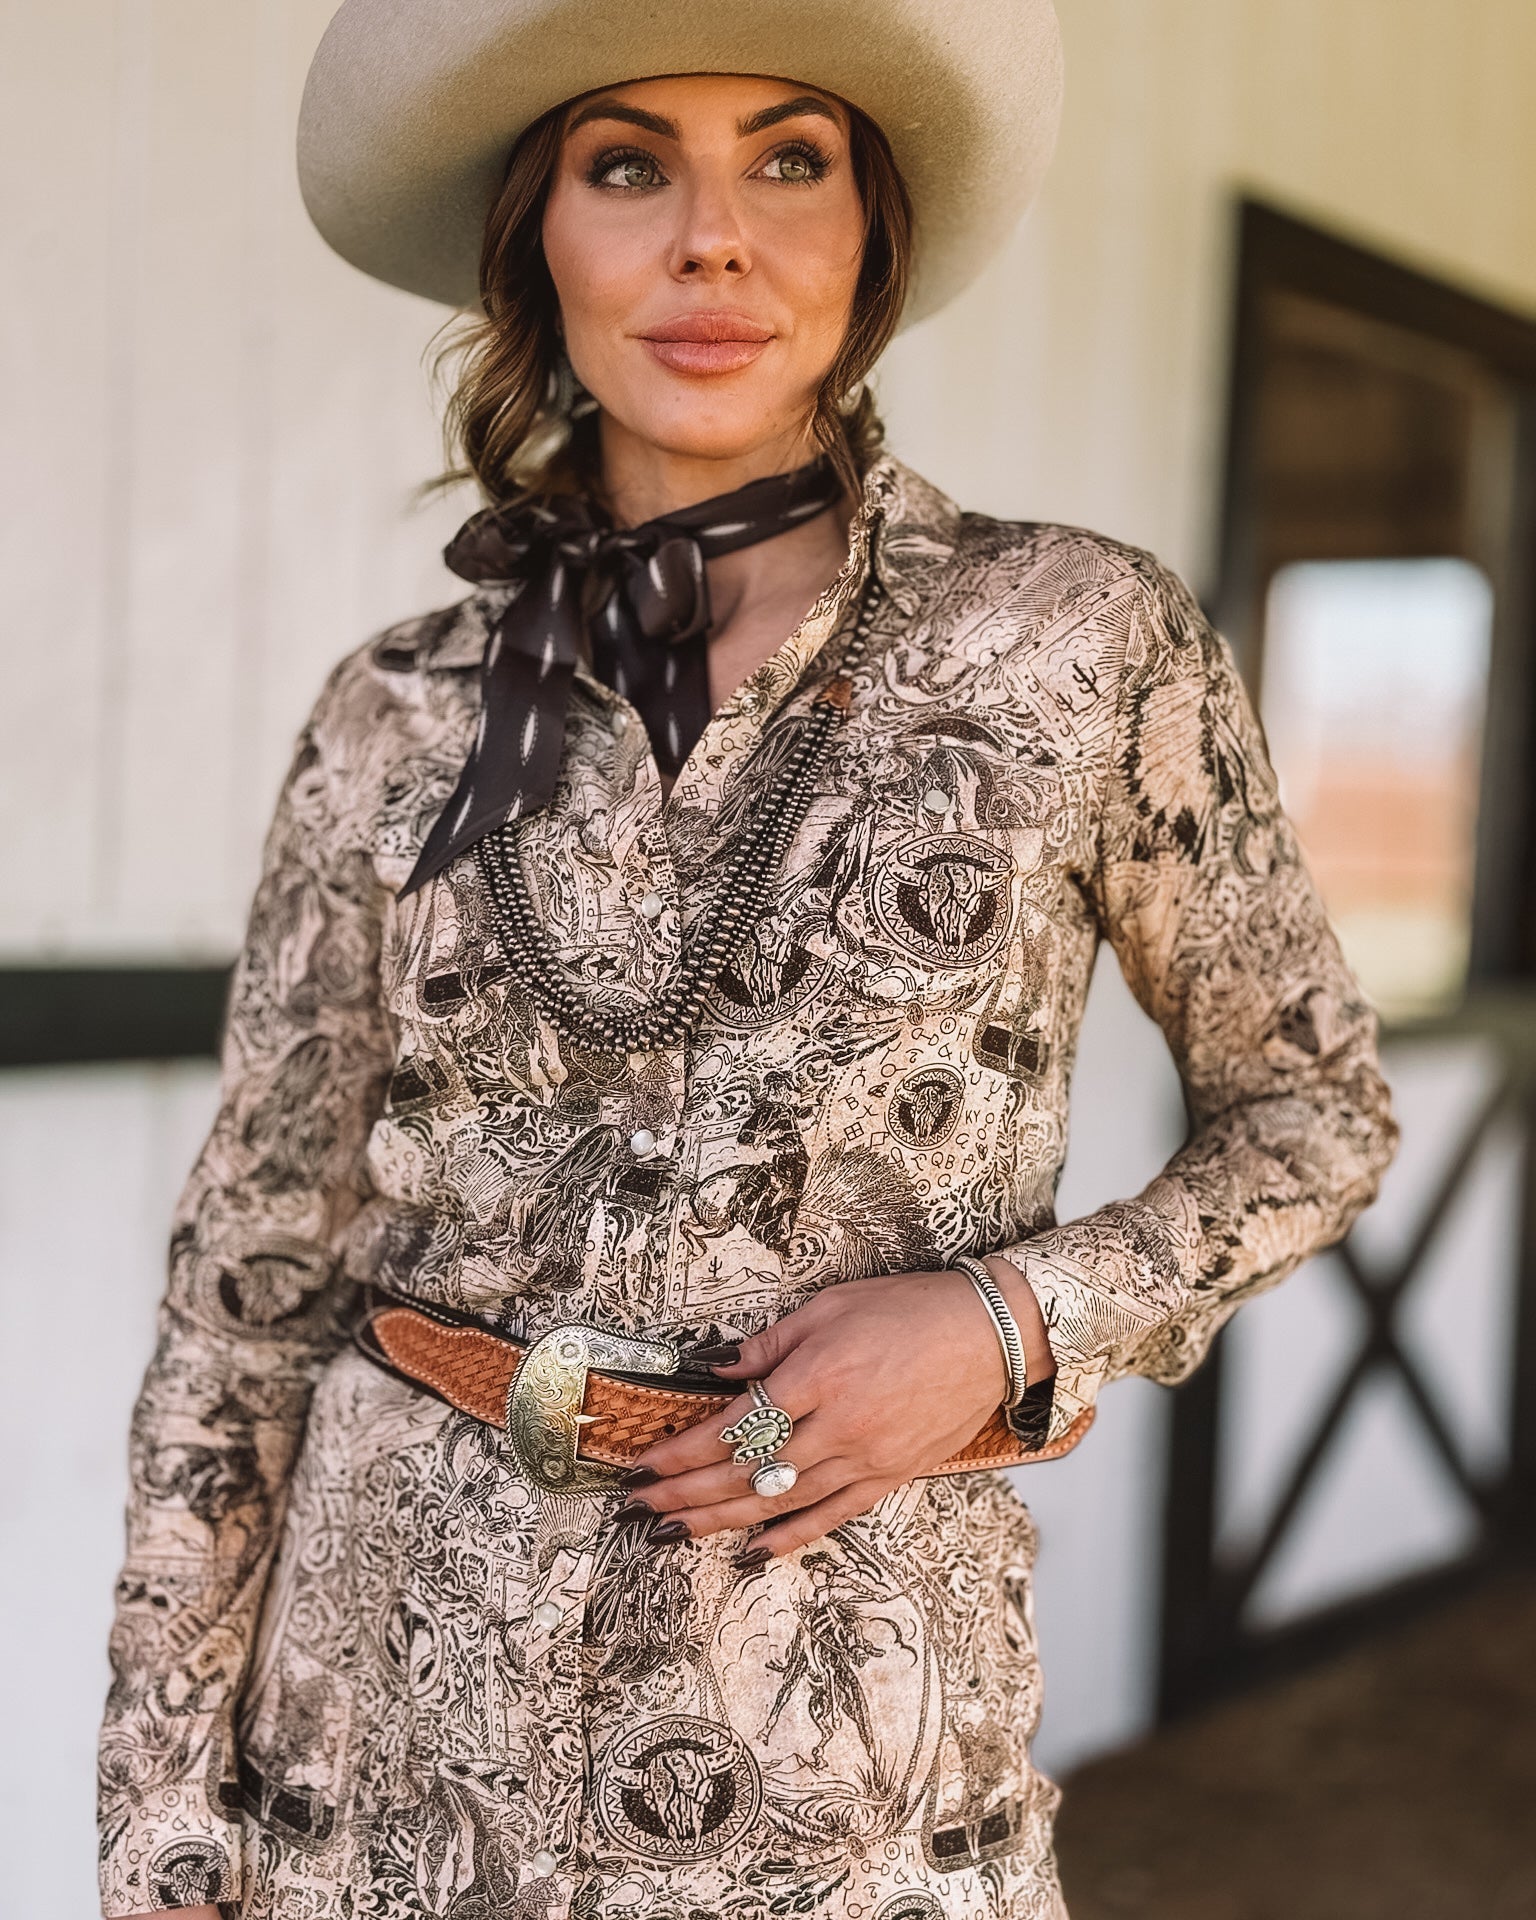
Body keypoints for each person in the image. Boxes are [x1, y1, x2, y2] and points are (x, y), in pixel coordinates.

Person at [97, 2, 1398, 1916]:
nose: (713, 238)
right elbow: (247, 1281)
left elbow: (1317, 1114)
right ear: (538, 233)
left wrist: (1011, 1322)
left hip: (843, 1768)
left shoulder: (1073, 647)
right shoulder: (391, 712)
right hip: (368, 1760)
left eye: (789, 159)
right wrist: (158, 1812)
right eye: (629, 165)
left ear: (871, 229)